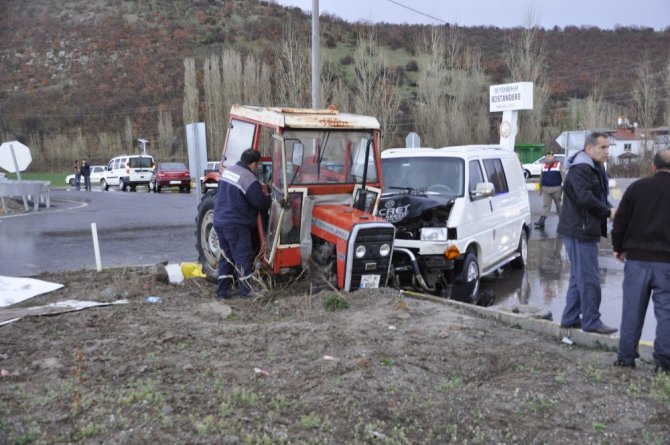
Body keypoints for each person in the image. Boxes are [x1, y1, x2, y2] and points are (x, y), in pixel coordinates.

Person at [611, 149, 670, 372]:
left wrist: (618, 247)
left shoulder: (637, 188)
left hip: (636, 261)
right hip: (667, 264)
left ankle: (626, 358)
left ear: (653, 167)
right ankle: (664, 364)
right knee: (667, 314)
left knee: (632, 311)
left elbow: (620, 221)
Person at [557, 131, 617, 334]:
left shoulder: (595, 167)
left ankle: (570, 319)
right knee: (589, 278)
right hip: (578, 231)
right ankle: (591, 321)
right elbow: (585, 198)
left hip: (583, 229)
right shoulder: (581, 169)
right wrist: (608, 211)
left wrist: (610, 209)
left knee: (578, 277)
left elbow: (597, 197)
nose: (607, 151)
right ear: (589, 148)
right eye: (603, 147)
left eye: (608, 147)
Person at [213, 149, 271, 299]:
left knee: (227, 256)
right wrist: (270, 199)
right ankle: (247, 291)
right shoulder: (248, 178)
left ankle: (222, 291)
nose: (257, 168)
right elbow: (260, 203)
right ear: (253, 163)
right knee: (243, 257)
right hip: (236, 224)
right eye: (257, 165)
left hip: (219, 221)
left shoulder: (228, 171)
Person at [534, 151, 564, 229]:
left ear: (553, 157)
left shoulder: (559, 165)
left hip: (556, 188)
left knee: (559, 206)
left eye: (550, 156)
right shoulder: (544, 165)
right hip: (546, 189)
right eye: (547, 156)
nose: (548, 158)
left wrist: (564, 187)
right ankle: (542, 221)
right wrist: (540, 187)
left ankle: (562, 221)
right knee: (546, 205)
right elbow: (541, 177)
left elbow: (564, 176)